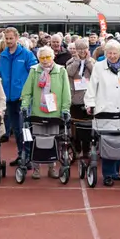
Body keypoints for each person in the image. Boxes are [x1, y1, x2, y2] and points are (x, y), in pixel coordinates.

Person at [84, 40, 120, 186]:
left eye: (115, 53)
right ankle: (108, 174)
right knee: (107, 142)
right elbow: (92, 87)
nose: (112, 56)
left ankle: (115, 171)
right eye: (109, 53)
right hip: (104, 110)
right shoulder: (98, 67)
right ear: (106, 53)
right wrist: (90, 104)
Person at [21, 46, 72, 179]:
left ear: (53, 57)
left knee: (52, 141)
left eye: (47, 57)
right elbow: (27, 91)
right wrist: (25, 106)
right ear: (38, 58)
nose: (45, 60)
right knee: (37, 141)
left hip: (54, 113)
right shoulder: (34, 71)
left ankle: (52, 168)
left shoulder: (61, 71)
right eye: (42, 57)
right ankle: (36, 169)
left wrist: (65, 109)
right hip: (38, 112)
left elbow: (66, 93)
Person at [0, 27, 38, 165]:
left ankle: (28, 156)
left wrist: (27, 93)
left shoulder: (27, 54)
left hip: (23, 99)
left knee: (25, 128)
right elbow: (1, 75)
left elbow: (34, 74)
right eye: (6, 38)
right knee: (15, 130)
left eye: (11, 38)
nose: (9, 41)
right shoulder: (3, 55)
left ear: (16, 38)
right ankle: (21, 154)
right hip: (8, 98)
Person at [65, 39, 94, 158]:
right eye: (79, 49)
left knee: (88, 126)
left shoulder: (93, 62)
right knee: (75, 126)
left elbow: (95, 72)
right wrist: (77, 61)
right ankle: (77, 149)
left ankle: (86, 150)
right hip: (75, 98)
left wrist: (87, 62)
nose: (82, 51)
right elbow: (70, 72)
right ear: (75, 50)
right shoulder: (70, 62)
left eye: (84, 48)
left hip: (89, 99)